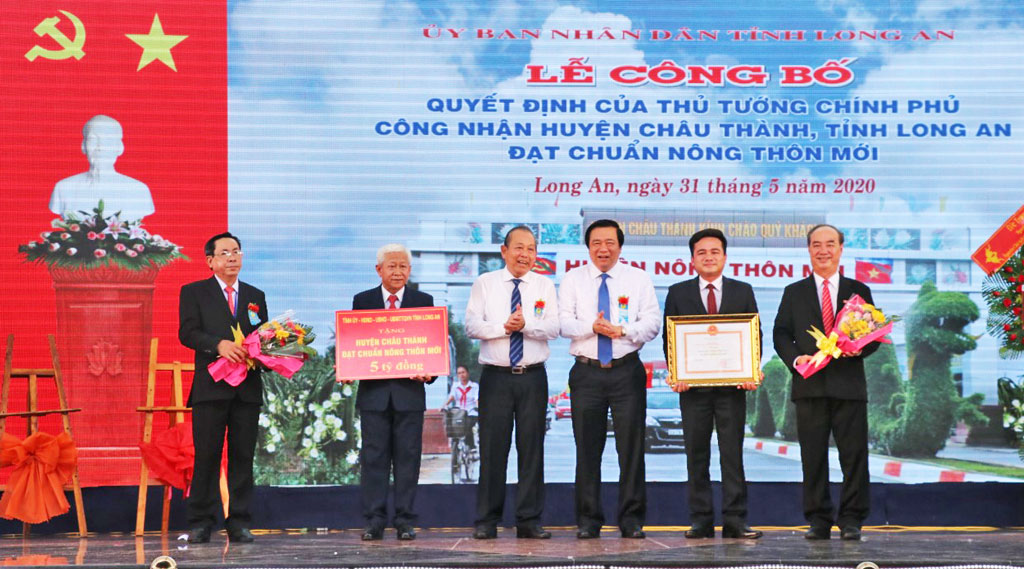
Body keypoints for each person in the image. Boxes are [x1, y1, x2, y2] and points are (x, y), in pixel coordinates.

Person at [773, 224, 879, 541]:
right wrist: (796, 360)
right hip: (810, 388)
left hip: (849, 388)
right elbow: (781, 333)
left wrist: (857, 346)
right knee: (813, 457)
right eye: (817, 244)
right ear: (809, 250)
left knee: (854, 456)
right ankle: (818, 520)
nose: (823, 250)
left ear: (841, 248)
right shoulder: (794, 292)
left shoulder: (858, 290)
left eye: (830, 244)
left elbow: (873, 334)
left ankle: (851, 520)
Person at [559, 219, 660, 539]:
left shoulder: (638, 278)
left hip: (626, 371)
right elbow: (562, 322)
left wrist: (621, 331)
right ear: (588, 247)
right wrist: (594, 326)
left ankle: (631, 519)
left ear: (620, 245)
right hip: (586, 372)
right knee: (587, 449)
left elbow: (652, 323)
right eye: (596, 243)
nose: (603, 248)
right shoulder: (573, 279)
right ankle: (589, 520)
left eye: (610, 242)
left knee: (631, 449)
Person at [662, 228, 762, 540]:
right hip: (693, 392)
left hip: (732, 390)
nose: (708, 257)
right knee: (697, 455)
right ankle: (701, 521)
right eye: (702, 252)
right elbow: (670, 339)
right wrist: (676, 373)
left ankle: (735, 521)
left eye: (714, 251)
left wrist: (751, 370)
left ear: (725, 257)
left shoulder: (742, 290)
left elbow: (753, 335)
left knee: (732, 455)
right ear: (692, 260)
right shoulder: (678, 292)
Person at [464, 226, 559, 540]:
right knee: (493, 449)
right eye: (519, 247)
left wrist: (527, 325)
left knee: (531, 449)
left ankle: (529, 520)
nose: (525, 255)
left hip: (533, 377)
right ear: (504, 251)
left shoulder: (544, 285)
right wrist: (503, 327)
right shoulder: (485, 283)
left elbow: (554, 327)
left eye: (531, 249)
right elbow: (471, 325)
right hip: (496, 378)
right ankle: (486, 521)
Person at [178, 232, 266, 543]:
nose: (232, 257)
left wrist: (274, 352)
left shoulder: (256, 295)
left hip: (247, 390)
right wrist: (218, 345)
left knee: (243, 456)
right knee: (207, 456)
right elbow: (187, 333)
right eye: (225, 253)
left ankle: (239, 521)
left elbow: (263, 338)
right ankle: (201, 521)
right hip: (211, 387)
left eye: (237, 251)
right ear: (210, 261)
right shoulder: (194, 292)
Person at [346, 244, 434, 541]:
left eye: (403, 267)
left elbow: (431, 348)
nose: (398, 272)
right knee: (374, 459)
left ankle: (405, 520)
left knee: (408, 459)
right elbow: (355, 345)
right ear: (379, 270)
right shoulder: (363, 301)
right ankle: (374, 520)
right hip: (374, 395)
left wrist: (430, 372)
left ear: (410, 270)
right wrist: (348, 369)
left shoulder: (424, 301)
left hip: (410, 395)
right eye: (392, 266)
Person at [49, 115, 155, 221]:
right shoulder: (64, 188)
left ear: (120, 147)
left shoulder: (139, 190)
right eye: (93, 139)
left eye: (108, 140)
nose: (100, 147)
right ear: (83, 146)